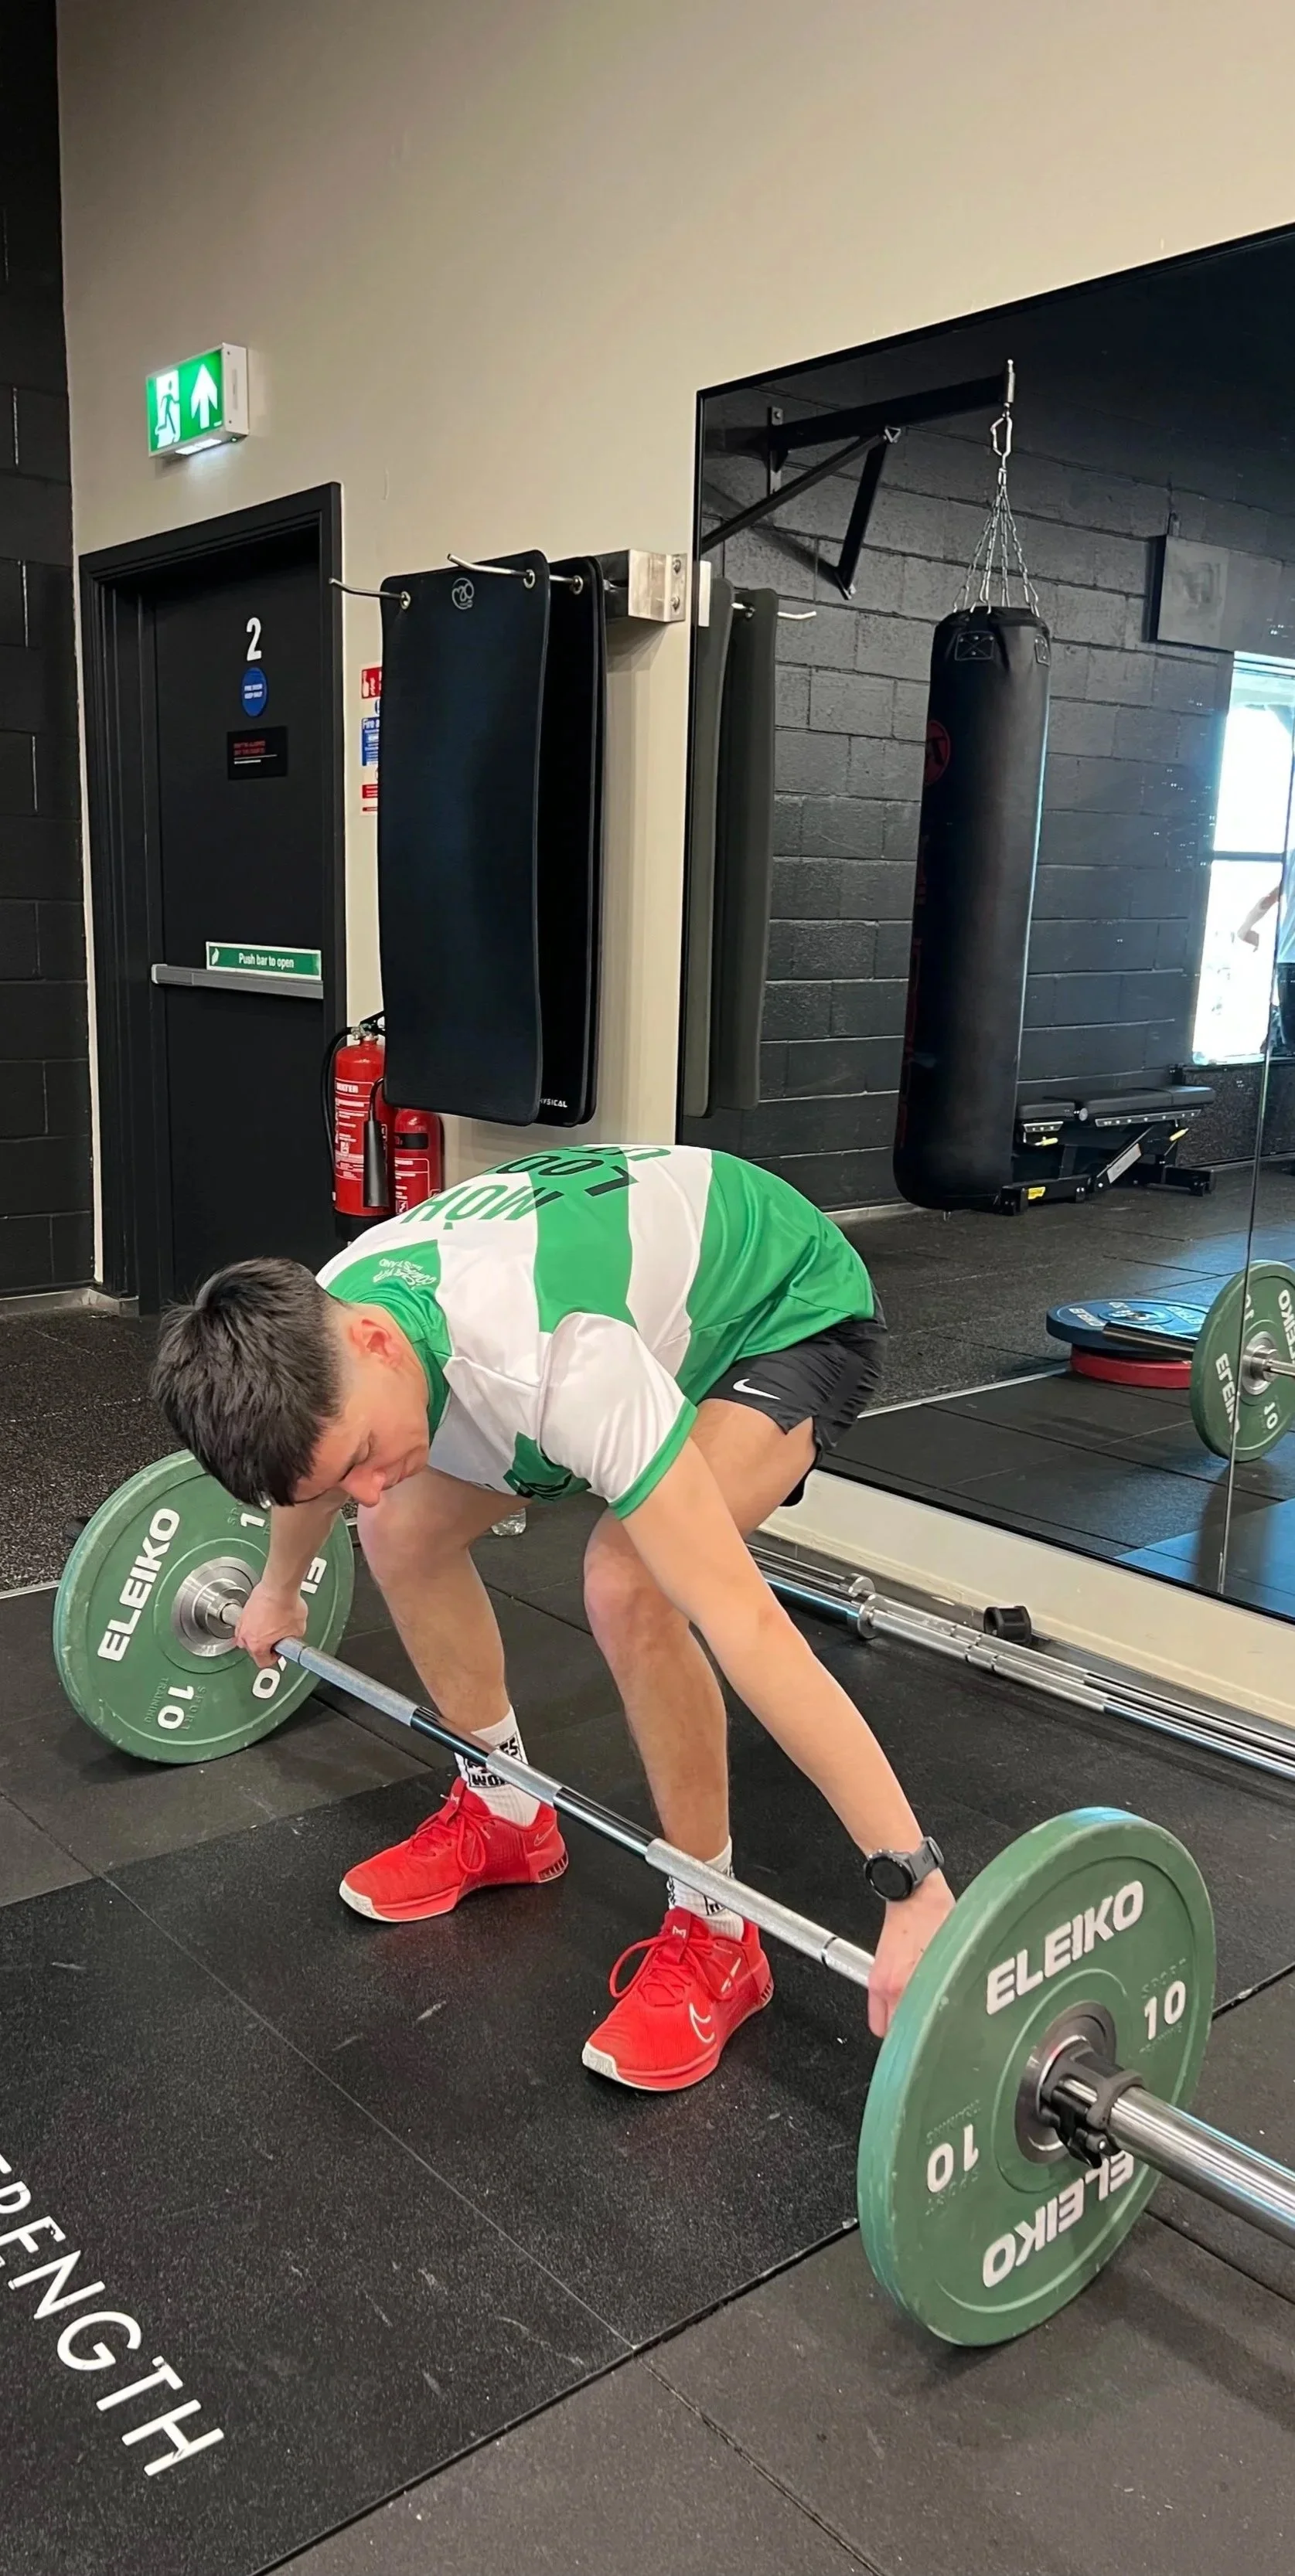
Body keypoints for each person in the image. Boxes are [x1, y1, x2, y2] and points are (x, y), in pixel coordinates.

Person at [152, 1144, 954, 2093]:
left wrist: (912, 1884)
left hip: (780, 1313)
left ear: (372, 1340)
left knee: (632, 1581)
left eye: (367, 1449)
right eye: (342, 1473)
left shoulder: (562, 1357)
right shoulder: (328, 1324)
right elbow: (317, 1480)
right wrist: (280, 1588)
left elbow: (748, 1625)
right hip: (615, 1312)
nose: (361, 1483)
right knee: (397, 1528)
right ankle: (505, 1815)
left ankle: (718, 1928)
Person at [1237, 866, 1295, 1054]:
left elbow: (1268, 900)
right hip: (1289, 961)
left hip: (1288, 962)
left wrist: (1245, 929)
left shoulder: (1292, 858)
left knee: (1290, 1044)